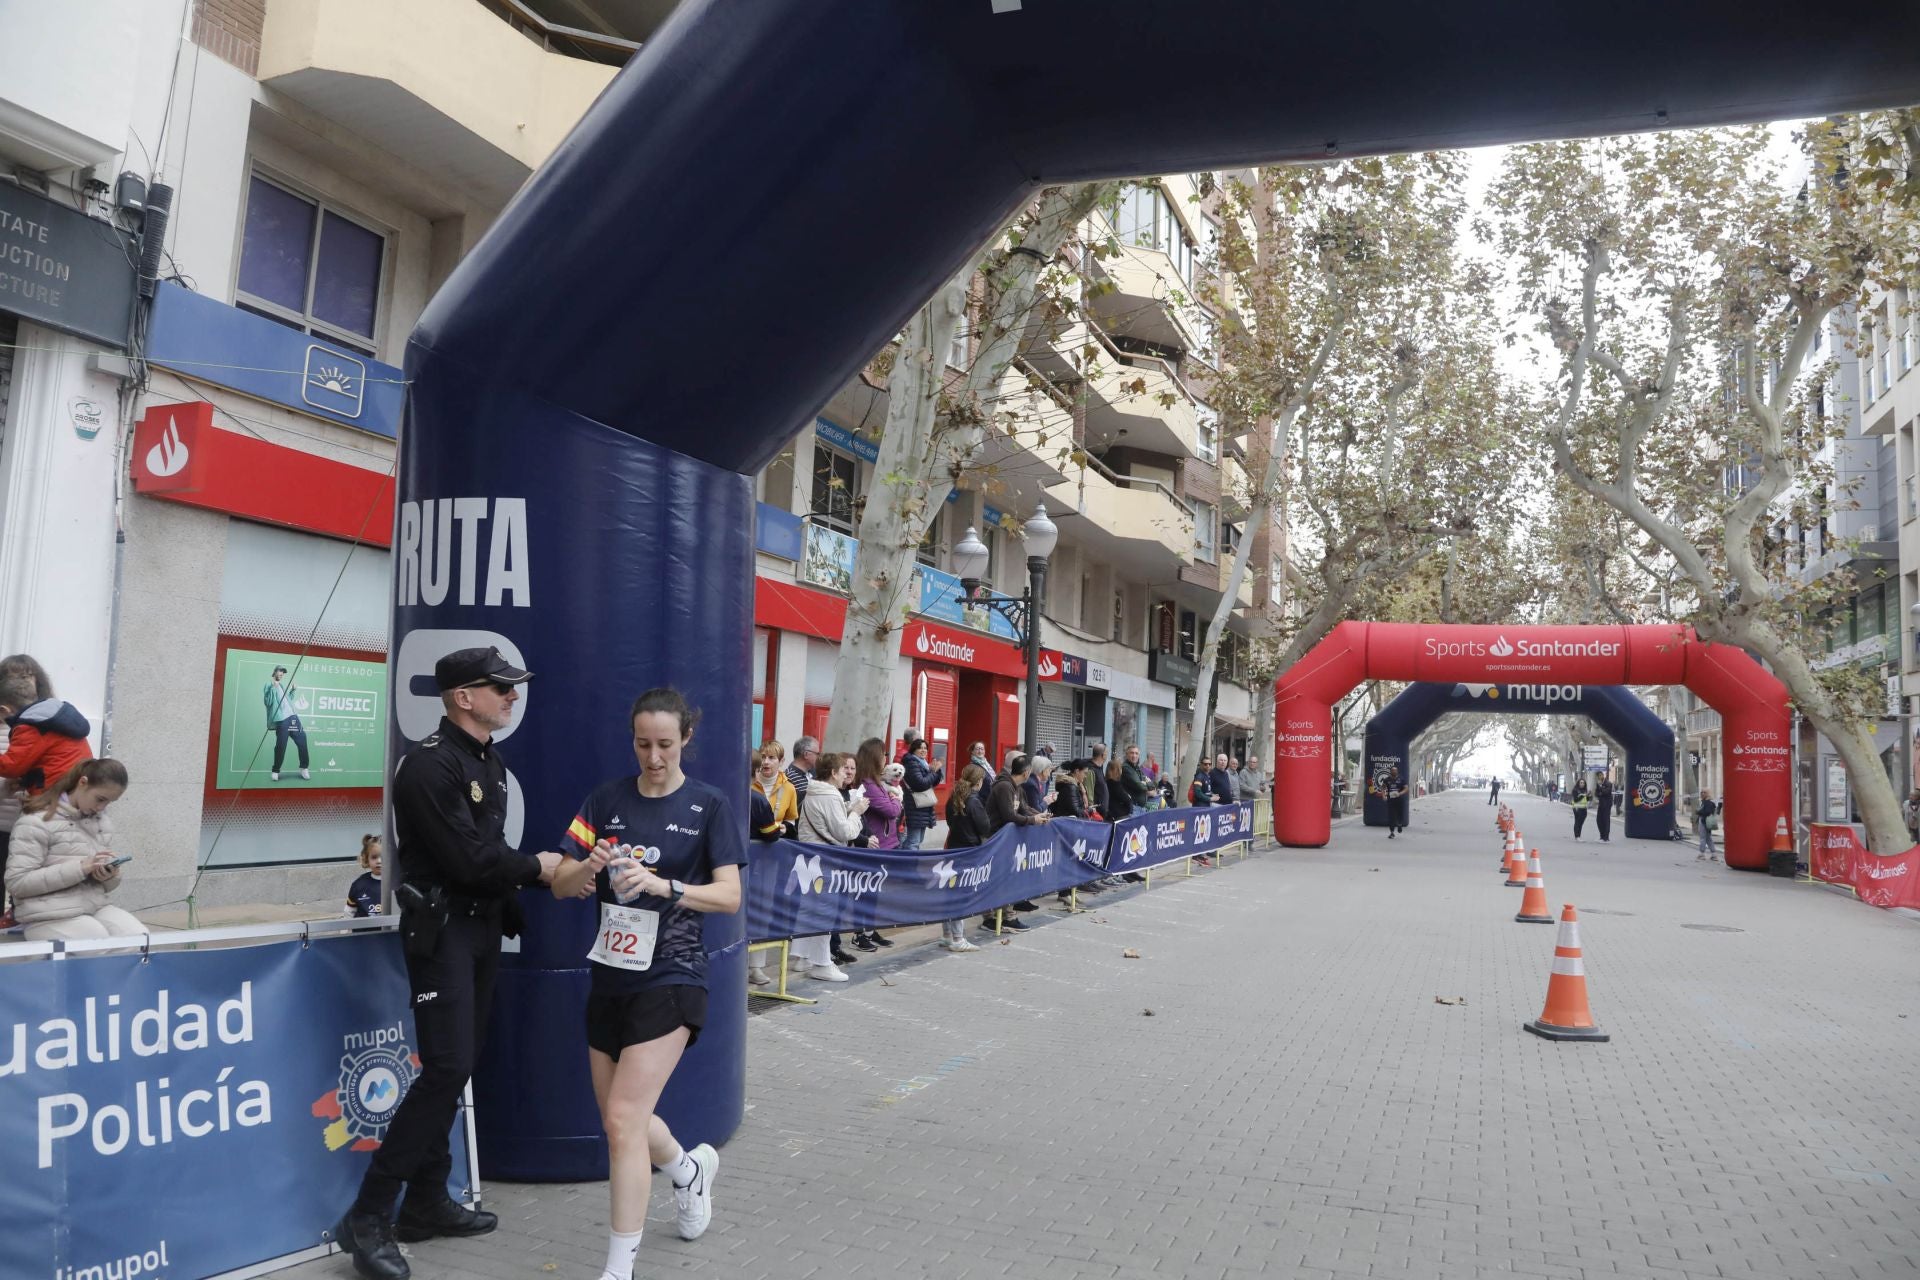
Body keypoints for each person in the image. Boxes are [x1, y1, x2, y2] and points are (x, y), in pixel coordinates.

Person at [333, 647, 565, 1280]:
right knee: (446, 1068)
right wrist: (538, 871)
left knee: (457, 1065)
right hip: (443, 935)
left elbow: (486, 850)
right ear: (464, 697)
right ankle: (370, 1214)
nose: (512, 697)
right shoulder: (429, 767)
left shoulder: (486, 759)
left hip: (480, 929)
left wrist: (522, 887)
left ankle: (427, 1204)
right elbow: (469, 861)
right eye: (502, 688)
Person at [545, 687, 742, 1280]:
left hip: (675, 976)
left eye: (664, 744)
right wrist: (592, 864)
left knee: (623, 1122)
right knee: (620, 1118)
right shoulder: (605, 800)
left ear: (686, 739)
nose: (653, 757)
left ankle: (617, 1269)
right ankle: (688, 1170)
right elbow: (560, 883)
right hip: (611, 975)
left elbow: (730, 897)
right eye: (642, 744)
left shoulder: (708, 806)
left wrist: (667, 887)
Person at [6, 757, 143, 943]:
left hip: (92, 906)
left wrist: (108, 875)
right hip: (45, 915)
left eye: (109, 802)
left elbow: (104, 885)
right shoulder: (35, 822)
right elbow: (17, 883)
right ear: (82, 783)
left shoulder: (101, 822)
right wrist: (79, 868)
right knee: (96, 943)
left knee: (139, 939)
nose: (101, 808)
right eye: (100, 799)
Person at [783, 751, 869, 982]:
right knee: (824, 910)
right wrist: (857, 813)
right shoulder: (829, 795)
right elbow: (845, 832)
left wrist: (849, 809)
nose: (846, 775)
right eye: (843, 771)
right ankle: (821, 963)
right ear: (833, 772)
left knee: (808, 908)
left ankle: (802, 956)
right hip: (827, 861)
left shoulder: (814, 791)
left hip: (810, 859)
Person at [985, 754, 1052, 931]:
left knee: (1008, 877)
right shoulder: (1004, 786)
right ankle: (995, 917)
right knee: (1000, 879)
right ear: (1026, 772)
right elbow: (1009, 815)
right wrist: (1032, 820)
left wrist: (1039, 815)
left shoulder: (1017, 787)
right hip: (996, 839)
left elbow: (1023, 808)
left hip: (1008, 840)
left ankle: (1006, 914)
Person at [851, 738, 899, 951]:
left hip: (884, 844)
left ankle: (870, 929)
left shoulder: (876, 782)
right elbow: (891, 810)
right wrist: (896, 800)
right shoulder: (868, 785)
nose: (886, 759)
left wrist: (892, 797)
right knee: (865, 890)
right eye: (883, 754)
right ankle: (859, 933)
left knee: (875, 890)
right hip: (872, 845)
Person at [938, 765, 989, 952]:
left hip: (952, 848)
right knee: (960, 895)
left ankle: (947, 935)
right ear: (979, 782)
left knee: (949, 894)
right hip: (968, 852)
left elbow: (951, 822)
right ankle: (958, 939)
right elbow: (985, 827)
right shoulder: (974, 801)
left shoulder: (954, 798)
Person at [263, 664, 311, 781]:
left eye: (283, 672)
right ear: (275, 672)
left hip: (293, 717)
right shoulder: (269, 685)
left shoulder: (282, 686)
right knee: (281, 746)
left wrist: (293, 690)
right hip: (282, 719)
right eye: (280, 671)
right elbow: (268, 702)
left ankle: (304, 768)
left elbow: (286, 700)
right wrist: (273, 687)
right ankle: (275, 770)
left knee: (302, 740)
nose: (282, 674)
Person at [899, 730, 943, 851]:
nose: (923, 750)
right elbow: (921, 784)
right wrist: (933, 772)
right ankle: (907, 866)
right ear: (913, 750)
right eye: (920, 748)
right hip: (914, 805)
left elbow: (933, 782)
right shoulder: (911, 762)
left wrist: (937, 771)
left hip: (922, 807)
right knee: (913, 841)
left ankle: (906, 864)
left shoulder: (923, 763)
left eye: (925, 748)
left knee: (918, 841)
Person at [749, 741, 798, 841]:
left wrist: (785, 828)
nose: (766, 762)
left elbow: (791, 819)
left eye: (771, 757)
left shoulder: (789, 788)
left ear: (781, 761)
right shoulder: (748, 784)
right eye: (763, 757)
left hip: (774, 843)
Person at [346, 834, 384, 917]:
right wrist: (345, 928)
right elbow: (349, 912)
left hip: (391, 929)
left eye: (383, 856)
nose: (379, 861)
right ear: (367, 859)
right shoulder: (359, 885)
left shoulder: (397, 883)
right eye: (374, 857)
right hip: (365, 929)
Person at [785, 735, 818, 800]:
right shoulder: (788, 778)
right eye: (817, 754)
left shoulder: (815, 773)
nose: (818, 757)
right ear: (806, 754)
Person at [1694, 790, 1719, 862]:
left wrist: (1699, 812)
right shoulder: (1707, 802)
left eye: (1704, 792)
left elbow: (1707, 812)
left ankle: (1701, 854)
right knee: (1708, 838)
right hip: (1706, 822)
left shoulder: (1707, 803)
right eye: (1701, 792)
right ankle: (1714, 854)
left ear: (1708, 794)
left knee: (1703, 838)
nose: (1702, 793)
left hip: (1704, 822)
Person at [1385, 764, 1408, 838]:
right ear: (1390, 771)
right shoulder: (1387, 779)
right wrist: (1383, 795)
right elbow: (1382, 787)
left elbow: (1406, 788)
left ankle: (1399, 824)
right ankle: (1392, 832)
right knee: (1391, 816)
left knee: (1399, 814)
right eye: (1393, 770)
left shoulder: (1401, 779)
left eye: (1395, 770)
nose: (1394, 771)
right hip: (1390, 800)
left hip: (1399, 800)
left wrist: (1400, 793)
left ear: (1397, 771)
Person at [1594, 775, 1614, 843]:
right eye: (1598, 777)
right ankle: (1601, 836)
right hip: (1601, 803)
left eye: (1600, 776)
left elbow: (1606, 792)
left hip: (1607, 804)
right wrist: (1600, 792)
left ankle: (1606, 838)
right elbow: (1596, 793)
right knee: (1599, 820)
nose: (1598, 778)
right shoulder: (1598, 784)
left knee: (1606, 820)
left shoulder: (1608, 783)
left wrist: (1600, 789)